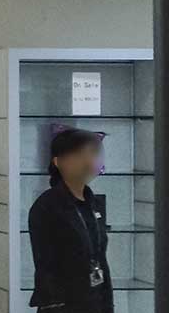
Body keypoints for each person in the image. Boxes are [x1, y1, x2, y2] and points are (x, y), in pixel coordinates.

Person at [28, 128, 113, 313]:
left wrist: (108, 304)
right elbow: (46, 265)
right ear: (58, 162)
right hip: (64, 305)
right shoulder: (47, 206)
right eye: (79, 155)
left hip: (95, 301)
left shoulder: (93, 203)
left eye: (92, 153)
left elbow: (100, 258)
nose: (87, 161)